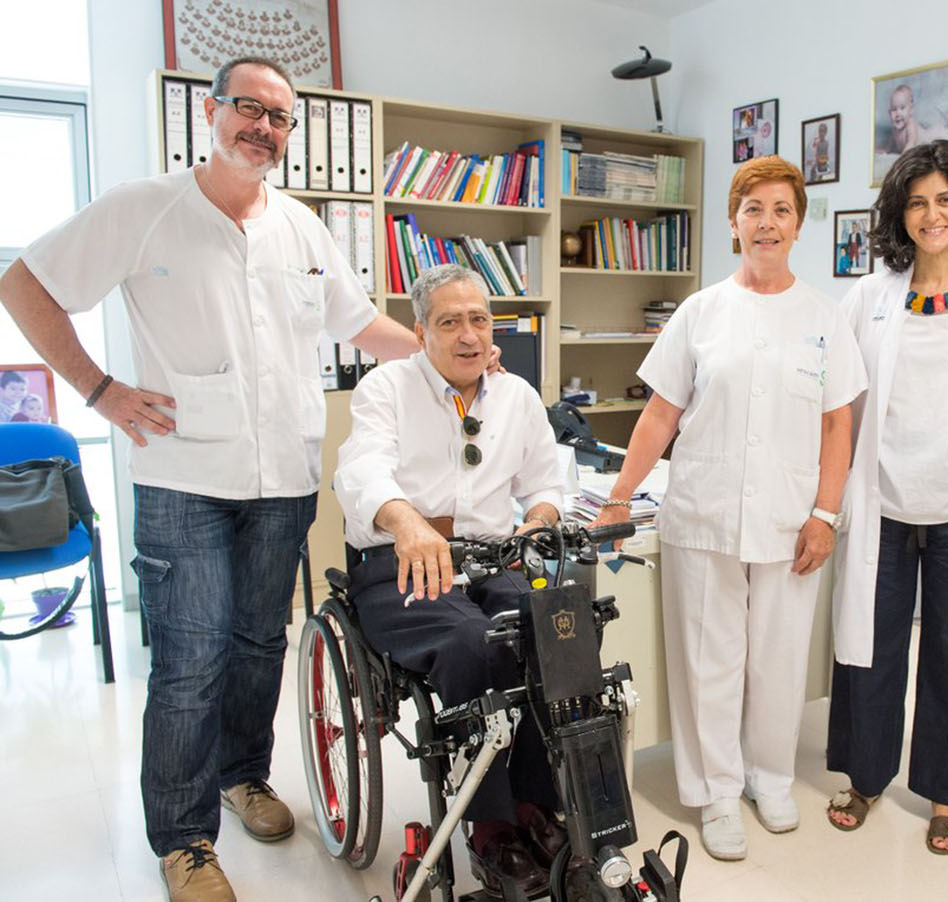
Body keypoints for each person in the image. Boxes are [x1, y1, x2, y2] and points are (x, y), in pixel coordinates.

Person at [0, 55, 419, 902]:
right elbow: (23, 283)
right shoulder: (145, 208)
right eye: (248, 110)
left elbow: (358, 322)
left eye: (280, 118)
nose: (263, 129)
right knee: (190, 659)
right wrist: (98, 389)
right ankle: (185, 838)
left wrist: (446, 356)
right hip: (184, 477)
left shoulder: (301, 226)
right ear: (211, 112)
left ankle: (242, 776)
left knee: (261, 643)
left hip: (283, 478)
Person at [592, 155, 866, 861]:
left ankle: (768, 777)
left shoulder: (825, 319)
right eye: (753, 209)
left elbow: (838, 425)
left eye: (780, 210)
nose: (766, 223)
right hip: (704, 512)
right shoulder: (700, 312)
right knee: (709, 659)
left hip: (790, 518)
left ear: (798, 224)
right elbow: (659, 413)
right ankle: (715, 790)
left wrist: (825, 514)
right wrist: (619, 496)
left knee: (777, 659)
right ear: (733, 222)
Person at [334, 264, 564, 898]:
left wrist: (537, 523)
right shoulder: (386, 388)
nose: (468, 335)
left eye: (480, 320)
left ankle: (534, 805)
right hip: (402, 559)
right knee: (476, 642)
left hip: (491, 555)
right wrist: (406, 521)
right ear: (421, 331)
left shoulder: (514, 395)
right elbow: (359, 473)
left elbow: (545, 485)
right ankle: (488, 824)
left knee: (556, 628)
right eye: (450, 321)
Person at [824, 140, 948, 856]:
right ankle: (865, 777)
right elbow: (840, 396)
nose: (930, 214)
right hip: (880, 499)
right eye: (915, 201)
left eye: (945, 199)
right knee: (867, 647)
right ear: (897, 213)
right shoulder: (869, 295)